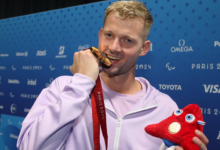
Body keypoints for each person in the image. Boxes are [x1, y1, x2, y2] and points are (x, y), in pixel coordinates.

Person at [17, 1, 208, 150]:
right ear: (100, 35)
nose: (114, 47)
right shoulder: (63, 88)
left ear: (144, 48)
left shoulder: (165, 107)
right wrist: (80, 86)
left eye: (127, 40)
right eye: (109, 35)